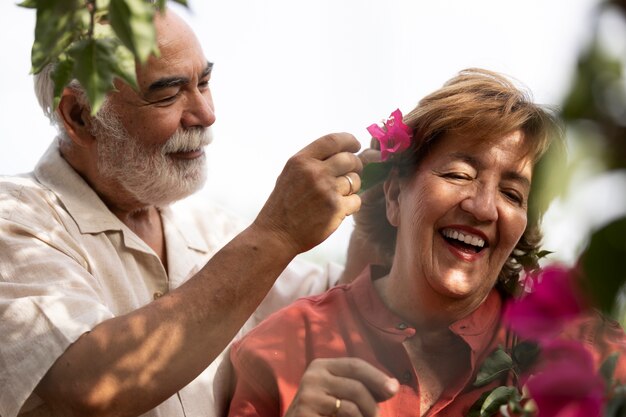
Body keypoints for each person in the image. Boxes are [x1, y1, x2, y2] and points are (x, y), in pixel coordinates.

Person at [0, 7, 373, 417]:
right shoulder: (17, 222)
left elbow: (343, 301)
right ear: (79, 115)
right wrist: (277, 234)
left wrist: (383, 207)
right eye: (167, 93)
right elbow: (93, 384)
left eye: (205, 82)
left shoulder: (210, 227)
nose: (205, 114)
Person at [226, 68, 626, 417]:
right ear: (395, 197)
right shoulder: (282, 348)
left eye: (512, 194)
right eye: (458, 174)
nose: (484, 208)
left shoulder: (587, 351)